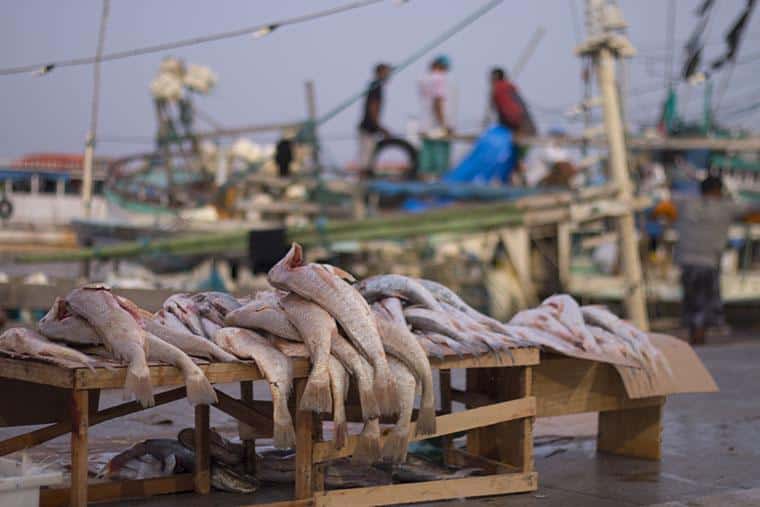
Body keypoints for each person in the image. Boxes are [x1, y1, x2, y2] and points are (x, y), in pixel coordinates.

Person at [653, 175, 758, 345]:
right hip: (709, 262)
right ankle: (699, 339)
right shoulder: (727, 207)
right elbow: (753, 208)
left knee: (692, 301)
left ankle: (695, 337)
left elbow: (660, 208)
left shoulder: (685, 204)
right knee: (704, 304)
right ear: (718, 190)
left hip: (687, 262)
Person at [418, 55, 453, 178]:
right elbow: (437, 102)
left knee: (426, 159)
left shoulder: (423, 79)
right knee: (440, 160)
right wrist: (444, 124)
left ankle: (425, 182)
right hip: (436, 125)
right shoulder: (439, 79)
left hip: (424, 124)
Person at [358, 63, 392, 174]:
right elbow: (373, 108)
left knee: (368, 160)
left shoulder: (376, 86)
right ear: (380, 73)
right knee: (365, 162)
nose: (389, 75)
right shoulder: (376, 86)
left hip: (370, 128)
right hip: (368, 128)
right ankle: (362, 184)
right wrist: (381, 128)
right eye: (387, 72)